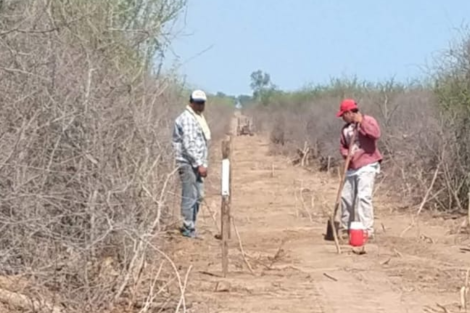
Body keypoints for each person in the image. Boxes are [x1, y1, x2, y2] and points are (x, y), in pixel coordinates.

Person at [336, 99, 382, 240]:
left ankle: (366, 230)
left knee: (363, 197)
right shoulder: (346, 129)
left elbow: (375, 134)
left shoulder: (368, 120)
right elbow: (343, 146)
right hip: (352, 166)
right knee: (346, 198)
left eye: (343, 114)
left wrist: (361, 121)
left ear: (349, 112)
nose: (342, 118)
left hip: (367, 164)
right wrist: (346, 154)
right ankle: (346, 228)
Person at [172, 90, 211, 238]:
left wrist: (203, 163)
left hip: (197, 163)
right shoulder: (187, 118)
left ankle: (192, 225)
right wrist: (199, 164)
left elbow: (201, 143)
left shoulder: (198, 118)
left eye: (203, 102)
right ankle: (188, 227)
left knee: (198, 195)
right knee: (190, 195)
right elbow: (188, 144)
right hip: (187, 163)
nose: (201, 105)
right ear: (191, 102)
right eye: (198, 102)